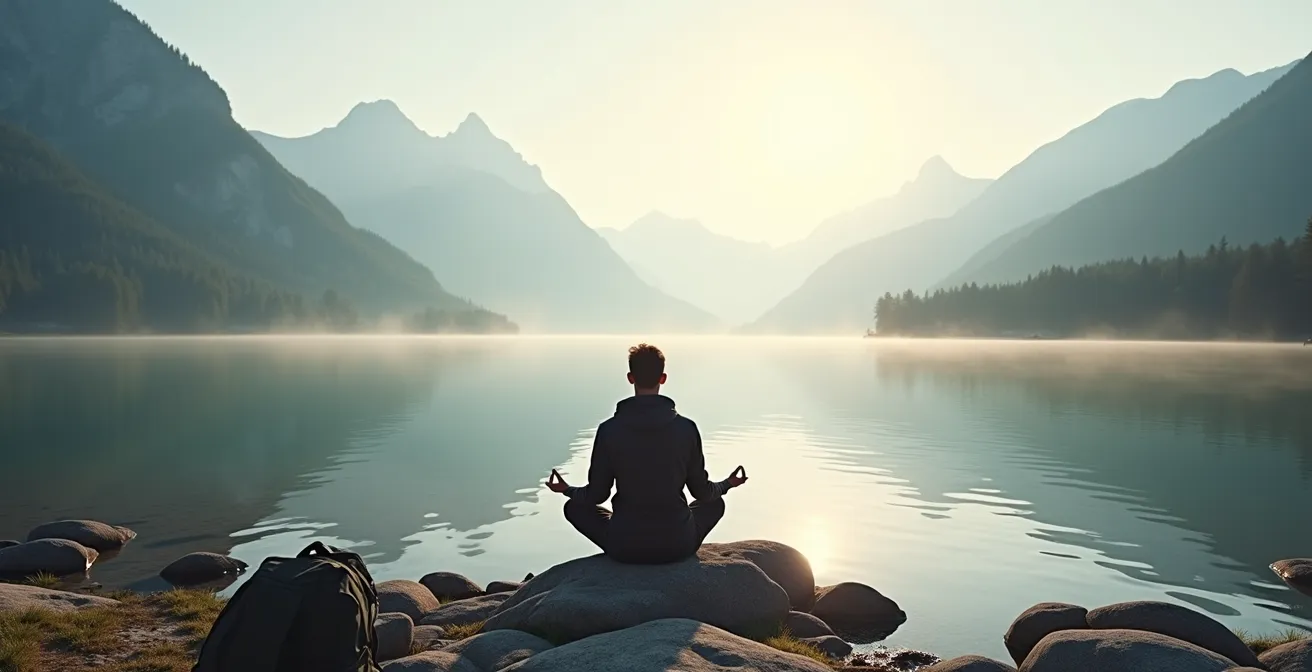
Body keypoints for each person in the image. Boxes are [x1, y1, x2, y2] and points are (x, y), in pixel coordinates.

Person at [545, 343, 748, 564]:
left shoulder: (609, 430)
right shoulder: (686, 429)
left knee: (574, 507)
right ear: (663, 378)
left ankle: (624, 527)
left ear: (630, 378)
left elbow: (597, 495)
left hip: (625, 546)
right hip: (678, 545)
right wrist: (727, 484)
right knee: (715, 503)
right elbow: (702, 492)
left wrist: (566, 490)